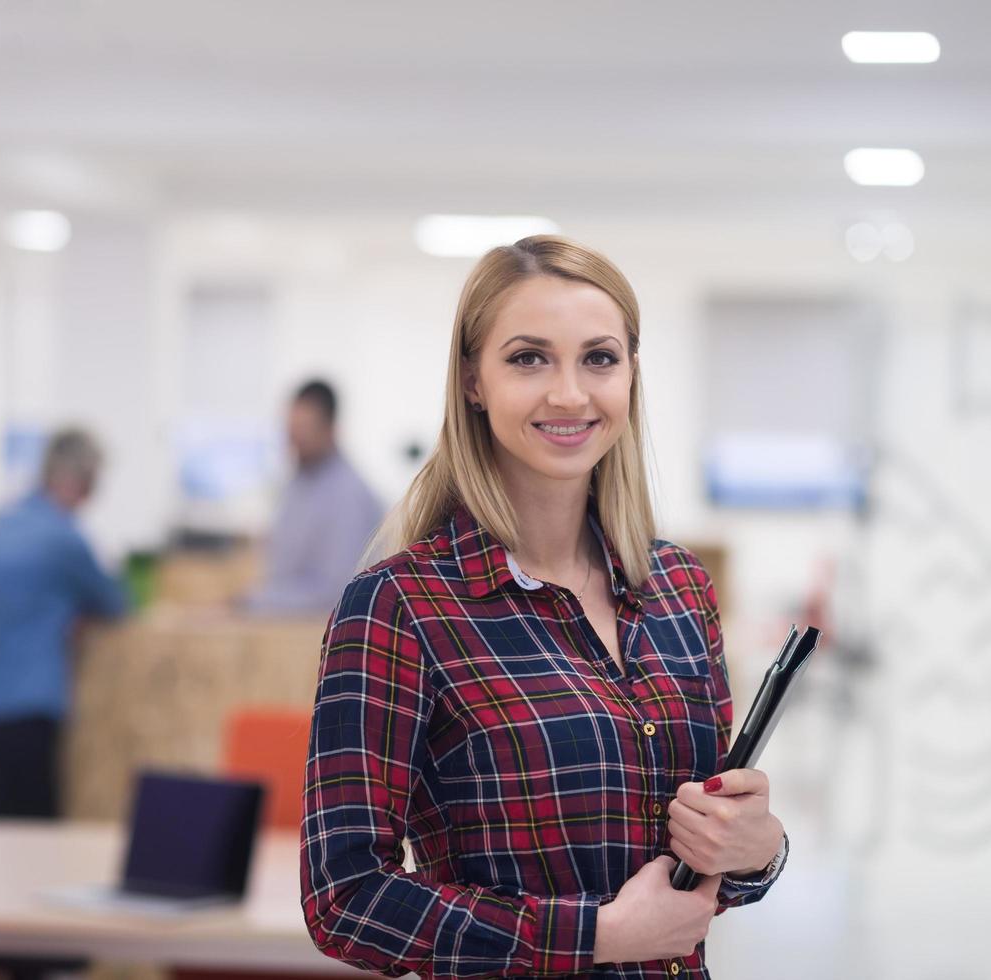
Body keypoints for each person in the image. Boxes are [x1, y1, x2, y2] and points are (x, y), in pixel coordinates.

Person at [300, 237, 788, 978]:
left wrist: (757, 850)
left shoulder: (678, 589)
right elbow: (344, 899)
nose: (569, 393)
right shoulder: (399, 607)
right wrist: (594, 935)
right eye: (528, 358)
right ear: (472, 381)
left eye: (598, 358)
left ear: (629, 375)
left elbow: (695, 876)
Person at [0, 428, 130, 819]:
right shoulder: (63, 538)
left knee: (1, 837)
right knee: (38, 844)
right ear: (78, 479)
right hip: (33, 710)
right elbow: (116, 602)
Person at [240, 379, 383, 617]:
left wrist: (255, 601)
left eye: (305, 430)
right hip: (282, 625)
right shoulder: (297, 483)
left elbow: (333, 593)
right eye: (291, 430)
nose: (295, 440)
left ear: (330, 429)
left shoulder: (348, 495)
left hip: (323, 633)